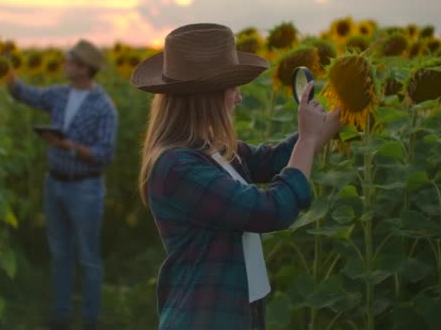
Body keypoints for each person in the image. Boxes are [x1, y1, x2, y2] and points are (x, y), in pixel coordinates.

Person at [132, 23, 341, 329]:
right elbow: (270, 210)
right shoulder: (177, 167)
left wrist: (331, 121)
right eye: (233, 87)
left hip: (238, 310)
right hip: (204, 317)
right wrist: (308, 139)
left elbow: (273, 159)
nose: (239, 98)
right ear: (208, 96)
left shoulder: (211, 150)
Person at [7, 40, 118, 330]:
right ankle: (61, 316)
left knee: (88, 258)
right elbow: (25, 94)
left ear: (83, 68)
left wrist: (67, 146)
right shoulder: (60, 94)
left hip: (85, 188)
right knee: (60, 254)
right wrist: (6, 69)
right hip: (54, 183)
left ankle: (91, 320)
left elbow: (105, 155)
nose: (64, 65)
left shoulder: (103, 107)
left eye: (69, 61)